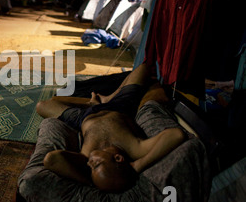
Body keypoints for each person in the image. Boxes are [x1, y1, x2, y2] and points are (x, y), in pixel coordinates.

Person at [35, 63, 187, 193]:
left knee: (42, 106)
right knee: (144, 68)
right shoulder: (135, 148)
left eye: (91, 169)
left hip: (83, 117)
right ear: (118, 158)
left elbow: (51, 159)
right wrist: (138, 166)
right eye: (97, 165)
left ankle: (94, 103)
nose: (90, 164)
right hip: (119, 106)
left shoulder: (87, 158)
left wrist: (89, 181)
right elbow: (176, 135)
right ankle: (109, 97)